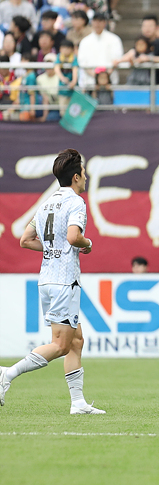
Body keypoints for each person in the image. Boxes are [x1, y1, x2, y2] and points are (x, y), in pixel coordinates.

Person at [1, 149, 106, 414]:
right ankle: (7, 374)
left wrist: (52, 248)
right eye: (83, 172)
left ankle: (78, 403)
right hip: (64, 281)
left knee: (76, 341)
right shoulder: (76, 202)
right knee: (60, 345)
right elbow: (73, 237)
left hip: (47, 280)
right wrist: (87, 243)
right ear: (75, 177)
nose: (86, 177)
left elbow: (25, 240)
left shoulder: (46, 203)